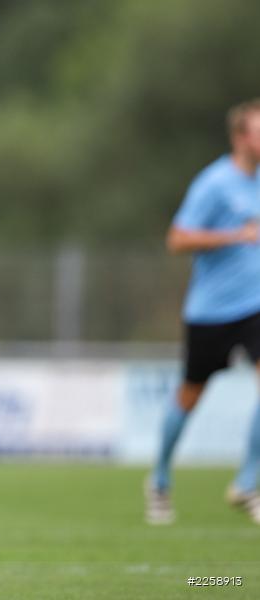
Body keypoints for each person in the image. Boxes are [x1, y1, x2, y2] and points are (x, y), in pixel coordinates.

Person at [146, 99, 260, 526]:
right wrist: (234, 235)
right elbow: (177, 240)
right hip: (211, 312)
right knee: (189, 395)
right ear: (241, 137)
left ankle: (247, 481)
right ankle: (159, 479)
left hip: (256, 307)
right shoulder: (214, 183)